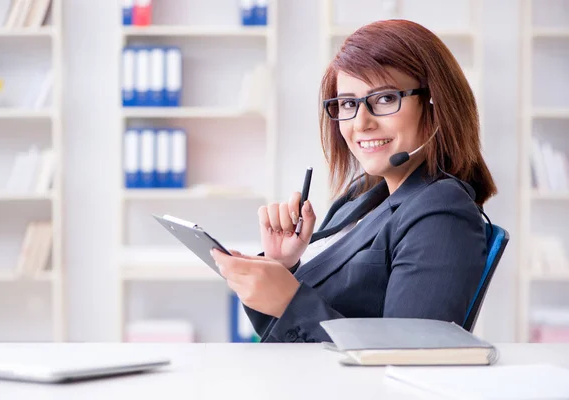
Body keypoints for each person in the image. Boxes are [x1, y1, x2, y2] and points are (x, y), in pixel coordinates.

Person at [211, 19, 497, 343]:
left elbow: (412, 357)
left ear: (435, 103)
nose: (361, 122)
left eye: (386, 98)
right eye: (348, 103)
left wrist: (290, 301)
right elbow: (287, 337)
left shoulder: (442, 212)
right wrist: (282, 265)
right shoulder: (362, 198)